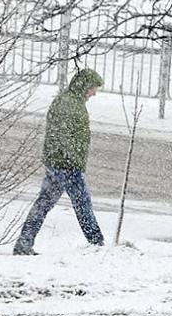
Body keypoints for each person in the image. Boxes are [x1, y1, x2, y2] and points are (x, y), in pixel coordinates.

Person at [13, 68, 105, 255]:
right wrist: (74, 160)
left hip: (58, 163)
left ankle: (23, 244)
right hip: (66, 165)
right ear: (85, 86)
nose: (94, 93)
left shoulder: (70, 101)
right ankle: (97, 245)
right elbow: (63, 136)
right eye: (93, 88)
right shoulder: (69, 104)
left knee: (43, 204)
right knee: (82, 204)